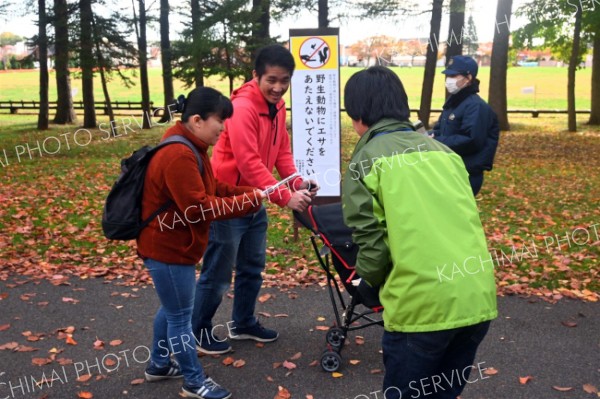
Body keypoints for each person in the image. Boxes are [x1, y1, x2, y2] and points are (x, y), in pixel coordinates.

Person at [341, 66, 497, 399]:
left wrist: (364, 282)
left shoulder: (366, 159)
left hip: (422, 307)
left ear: (357, 117)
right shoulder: (446, 154)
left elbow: (372, 244)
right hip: (475, 297)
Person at [137, 87, 264, 399]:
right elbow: (198, 210)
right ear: (196, 119)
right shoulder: (178, 154)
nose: (223, 128)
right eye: (219, 121)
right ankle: (194, 382)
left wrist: (251, 192)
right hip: (168, 249)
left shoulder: (191, 146)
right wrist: (248, 202)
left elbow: (214, 188)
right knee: (181, 318)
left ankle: (158, 364)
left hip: (173, 246)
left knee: (172, 310)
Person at [191, 44, 317, 354]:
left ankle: (243, 322)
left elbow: (281, 152)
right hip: (229, 202)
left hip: (254, 199)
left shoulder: (277, 106)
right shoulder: (244, 107)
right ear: (256, 76)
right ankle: (196, 330)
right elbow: (248, 161)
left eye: (284, 80)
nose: (278, 87)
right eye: (271, 80)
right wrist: (285, 197)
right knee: (218, 272)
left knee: (252, 266)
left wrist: (298, 180)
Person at [430, 55, 500, 196]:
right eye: (448, 76)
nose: (449, 80)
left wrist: (437, 141)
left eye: (454, 75)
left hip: (466, 174)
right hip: (450, 171)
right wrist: (428, 135)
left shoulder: (476, 106)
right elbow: (440, 129)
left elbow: (471, 140)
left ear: (468, 78)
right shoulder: (453, 103)